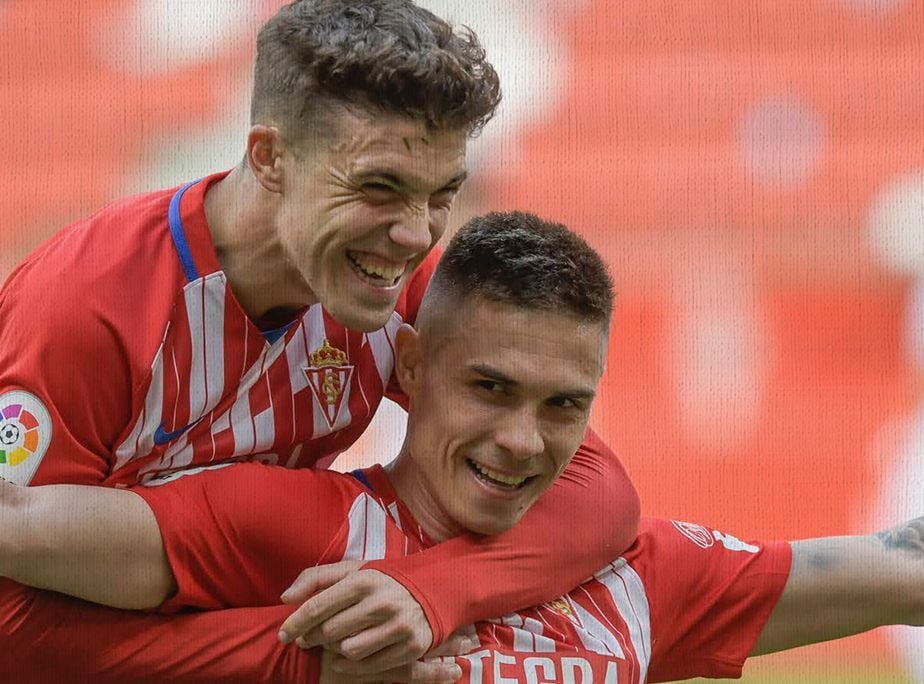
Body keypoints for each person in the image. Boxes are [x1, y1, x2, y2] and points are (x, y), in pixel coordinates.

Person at [2, 212, 921, 683]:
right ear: (408, 365)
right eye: (490, 390)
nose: (522, 442)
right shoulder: (283, 525)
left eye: (564, 405)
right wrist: (290, 664)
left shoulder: (637, 577)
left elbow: (899, 570)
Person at [0, 0, 640, 676]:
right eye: (380, 187)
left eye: (441, 195)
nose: (417, 234)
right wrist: (299, 661)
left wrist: (434, 593)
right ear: (270, 157)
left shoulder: (398, 284)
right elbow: (11, 625)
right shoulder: (89, 308)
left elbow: (598, 492)